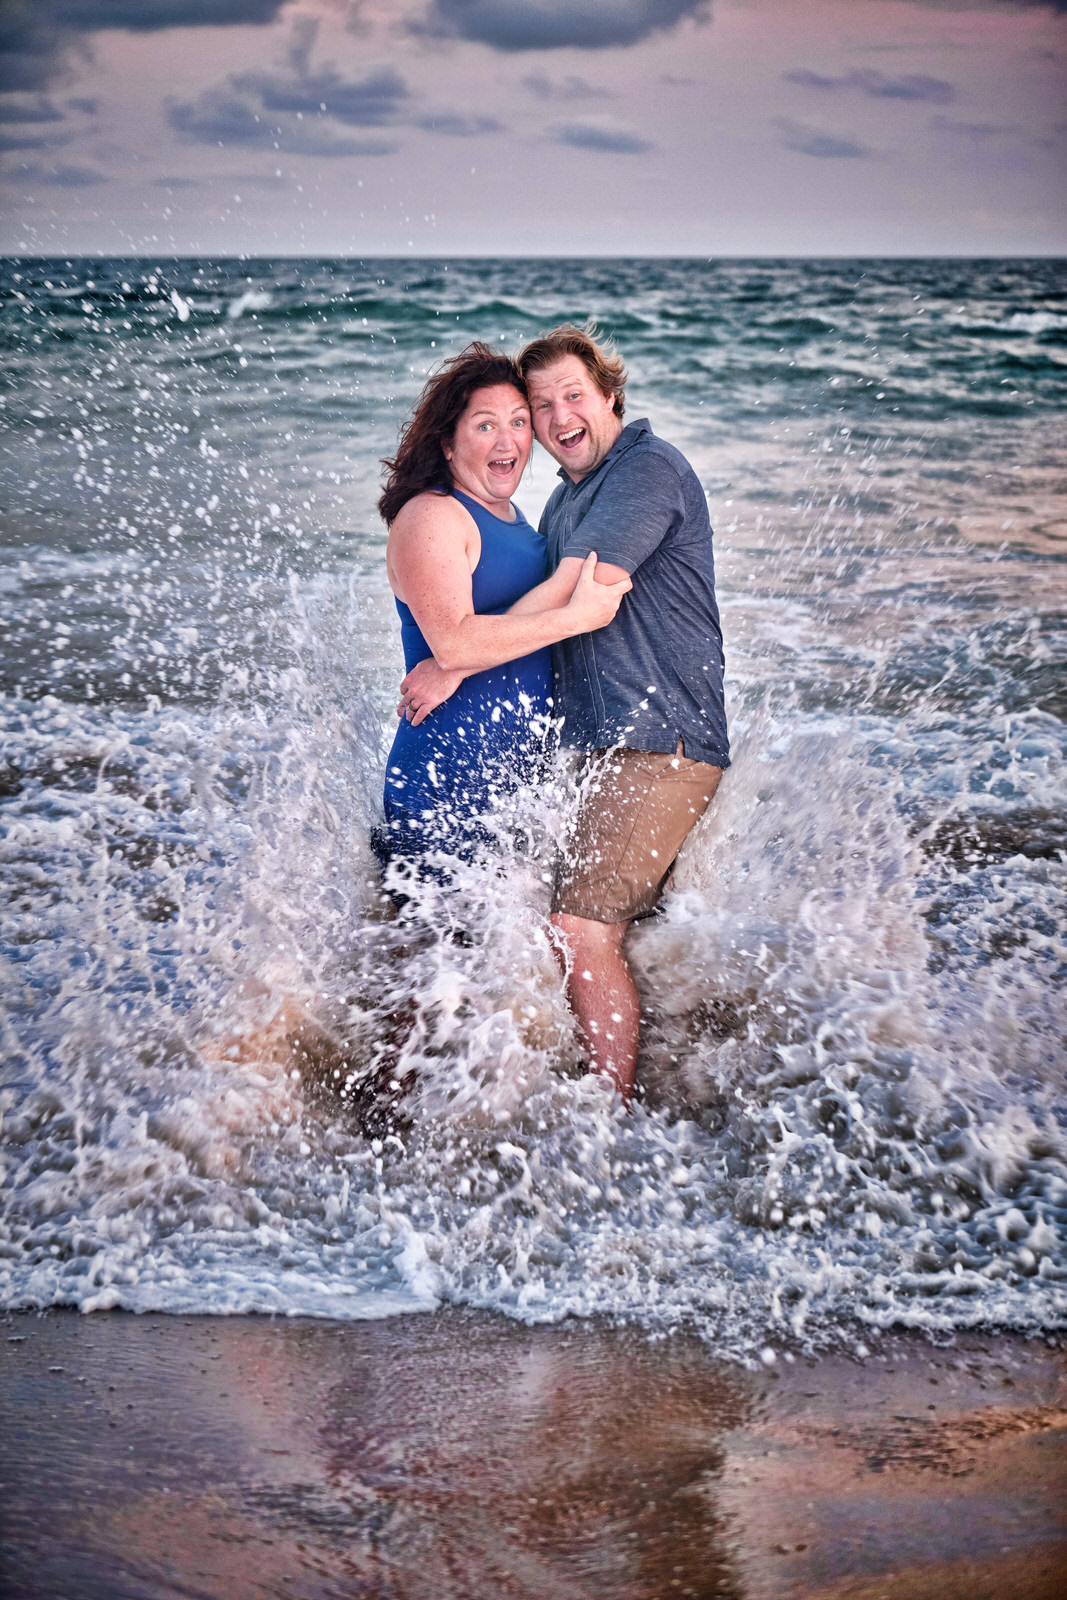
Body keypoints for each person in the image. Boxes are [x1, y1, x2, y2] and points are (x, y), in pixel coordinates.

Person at [403, 326, 729, 1105]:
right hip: (605, 746)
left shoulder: (644, 471)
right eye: (537, 404)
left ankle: (606, 1114)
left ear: (609, 397)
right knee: (601, 928)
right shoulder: (565, 496)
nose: (554, 417)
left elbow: (585, 588)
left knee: (580, 930)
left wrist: (452, 659)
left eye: (570, 397)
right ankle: (671, 1087)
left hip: (658, 743)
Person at [372, 341, 630, 897]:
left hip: (516, 794)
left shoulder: (517, 521)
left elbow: (490, 641)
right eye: (485, 425)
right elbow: (456, 642)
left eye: (518, 421)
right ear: (447, 443)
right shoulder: (432, 515)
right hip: (444, 782)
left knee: (505, 972)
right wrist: (576, 617)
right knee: (432, 972)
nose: (508, 438)